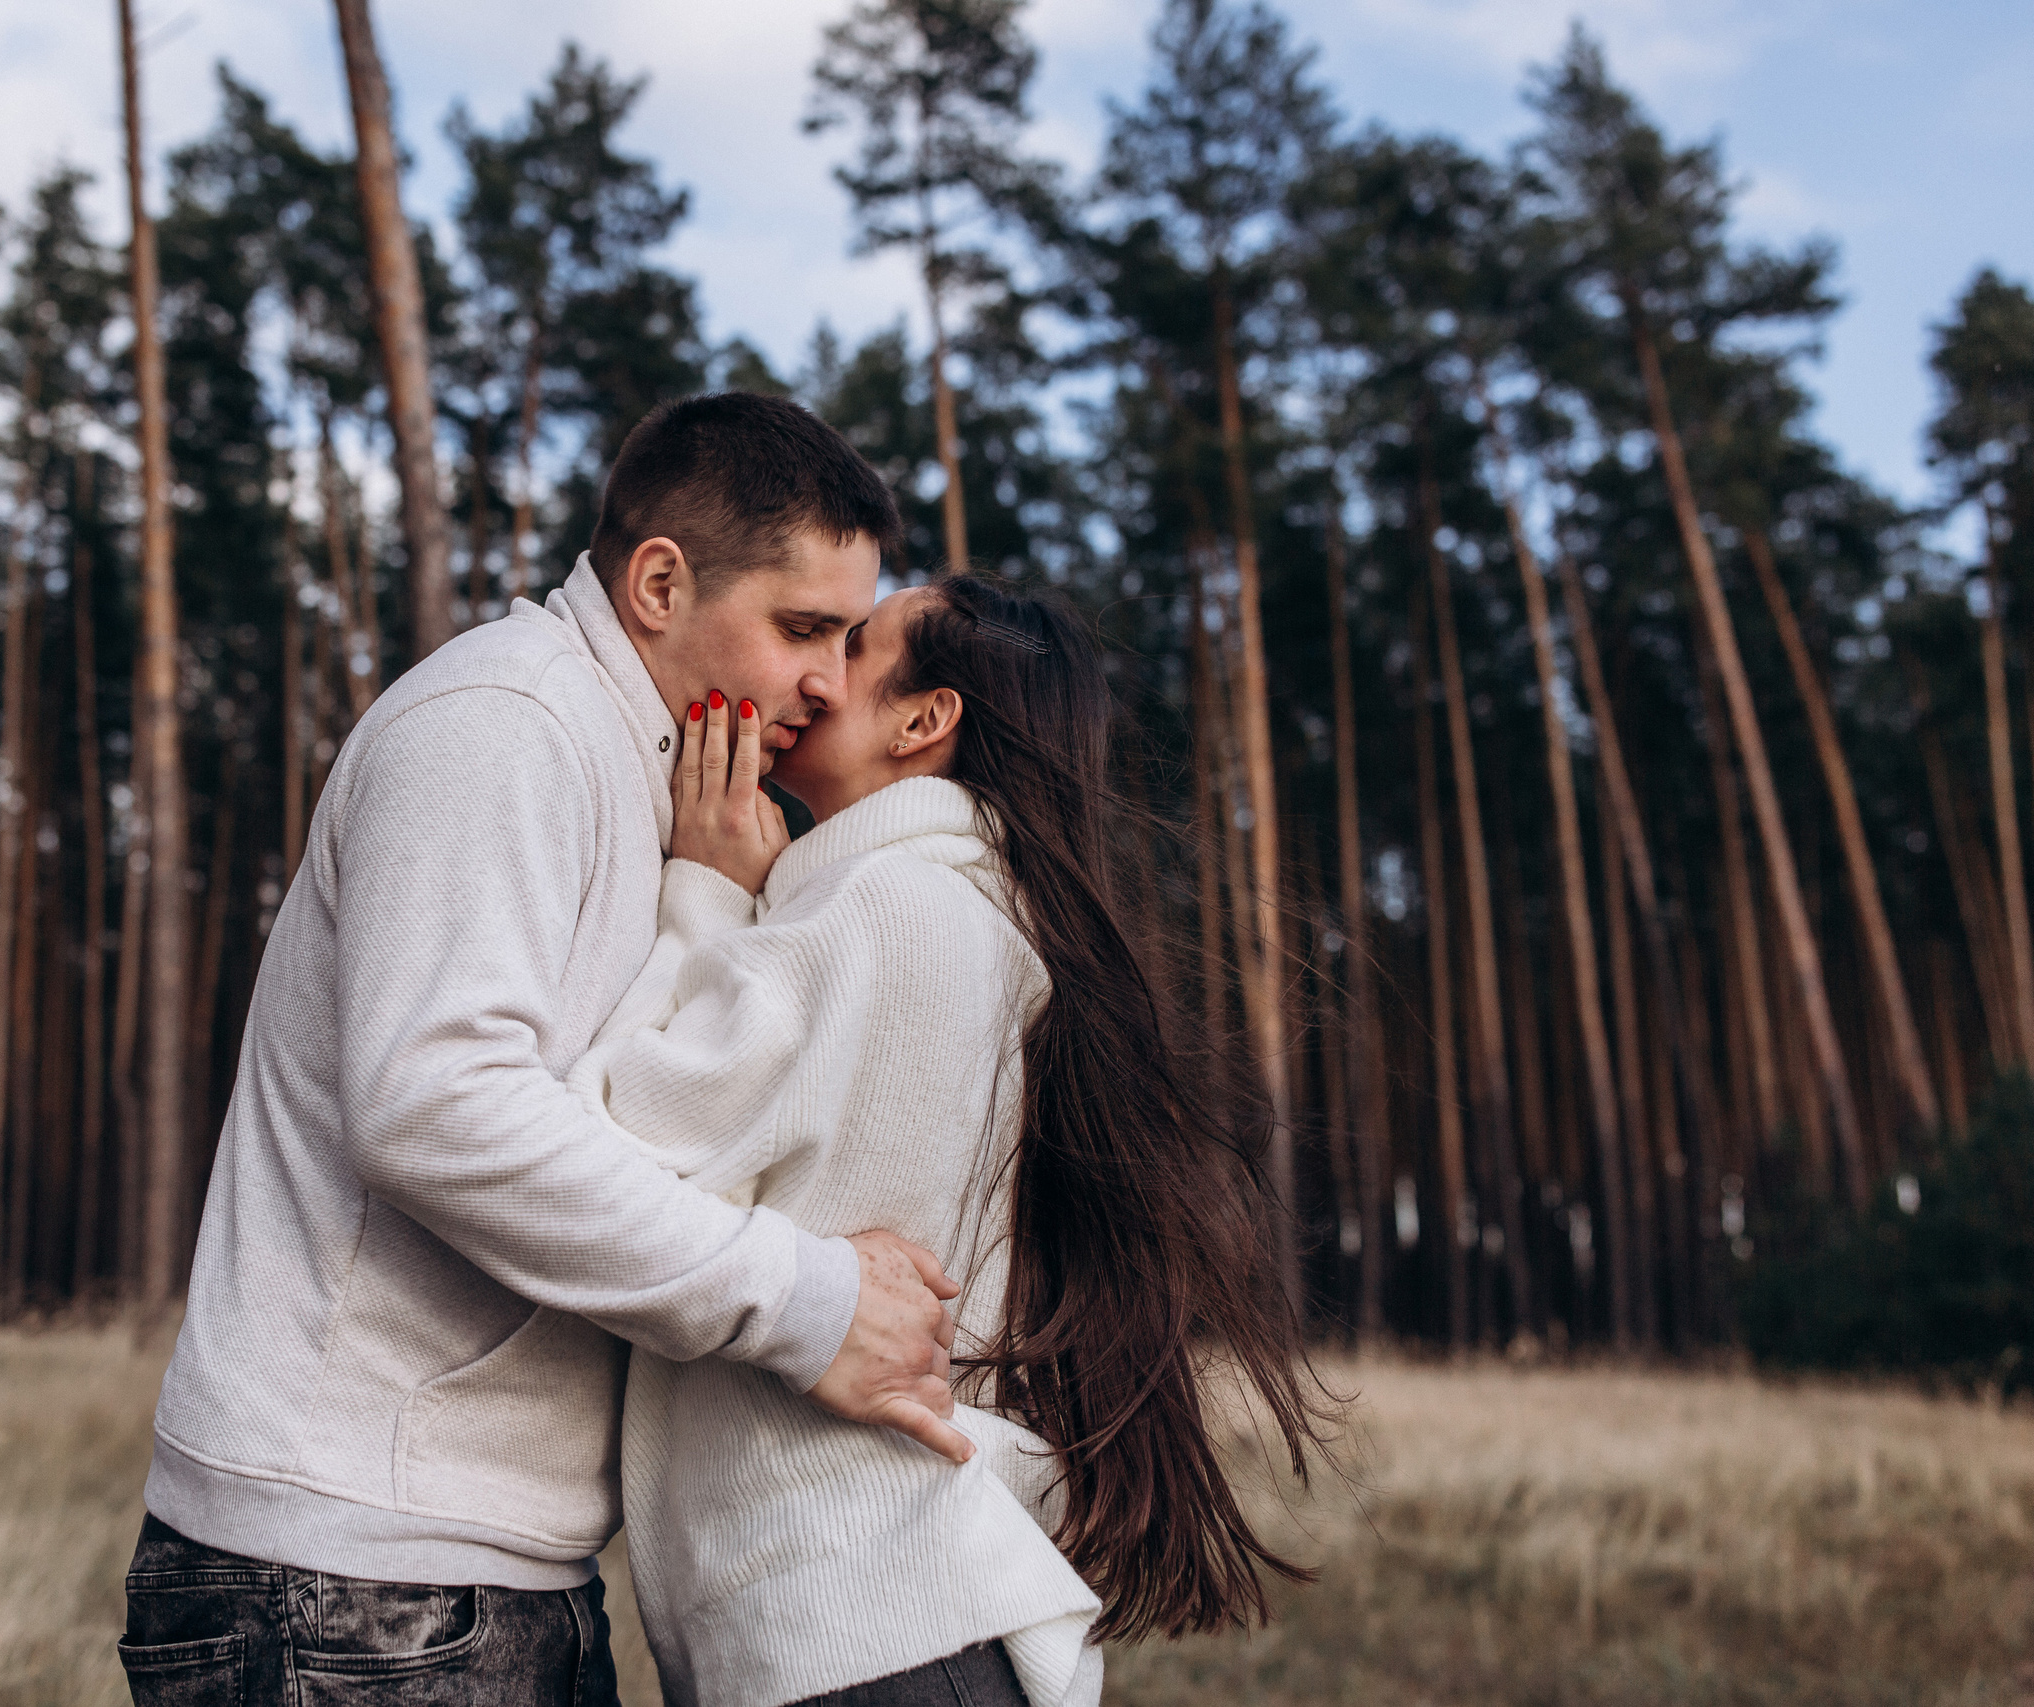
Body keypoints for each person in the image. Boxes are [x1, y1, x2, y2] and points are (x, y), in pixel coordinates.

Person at [119, 394, 972, 1705]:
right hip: (352, 1581)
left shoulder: (660, 771)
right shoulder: (506, 724)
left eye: (850, 636)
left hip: (471, 1577)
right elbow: (434, 1106)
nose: (828, 675)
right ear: (658, 579)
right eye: (804, 625)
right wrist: (806, 1301)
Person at [573, 575, 1338, 1706]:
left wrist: (701, 892)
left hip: (853, 1634)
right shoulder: (968, 914)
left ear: (923, 719)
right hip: (894, 1627)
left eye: (853, 643)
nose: (816, 674)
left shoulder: (880, 912)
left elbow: (607, 1150)